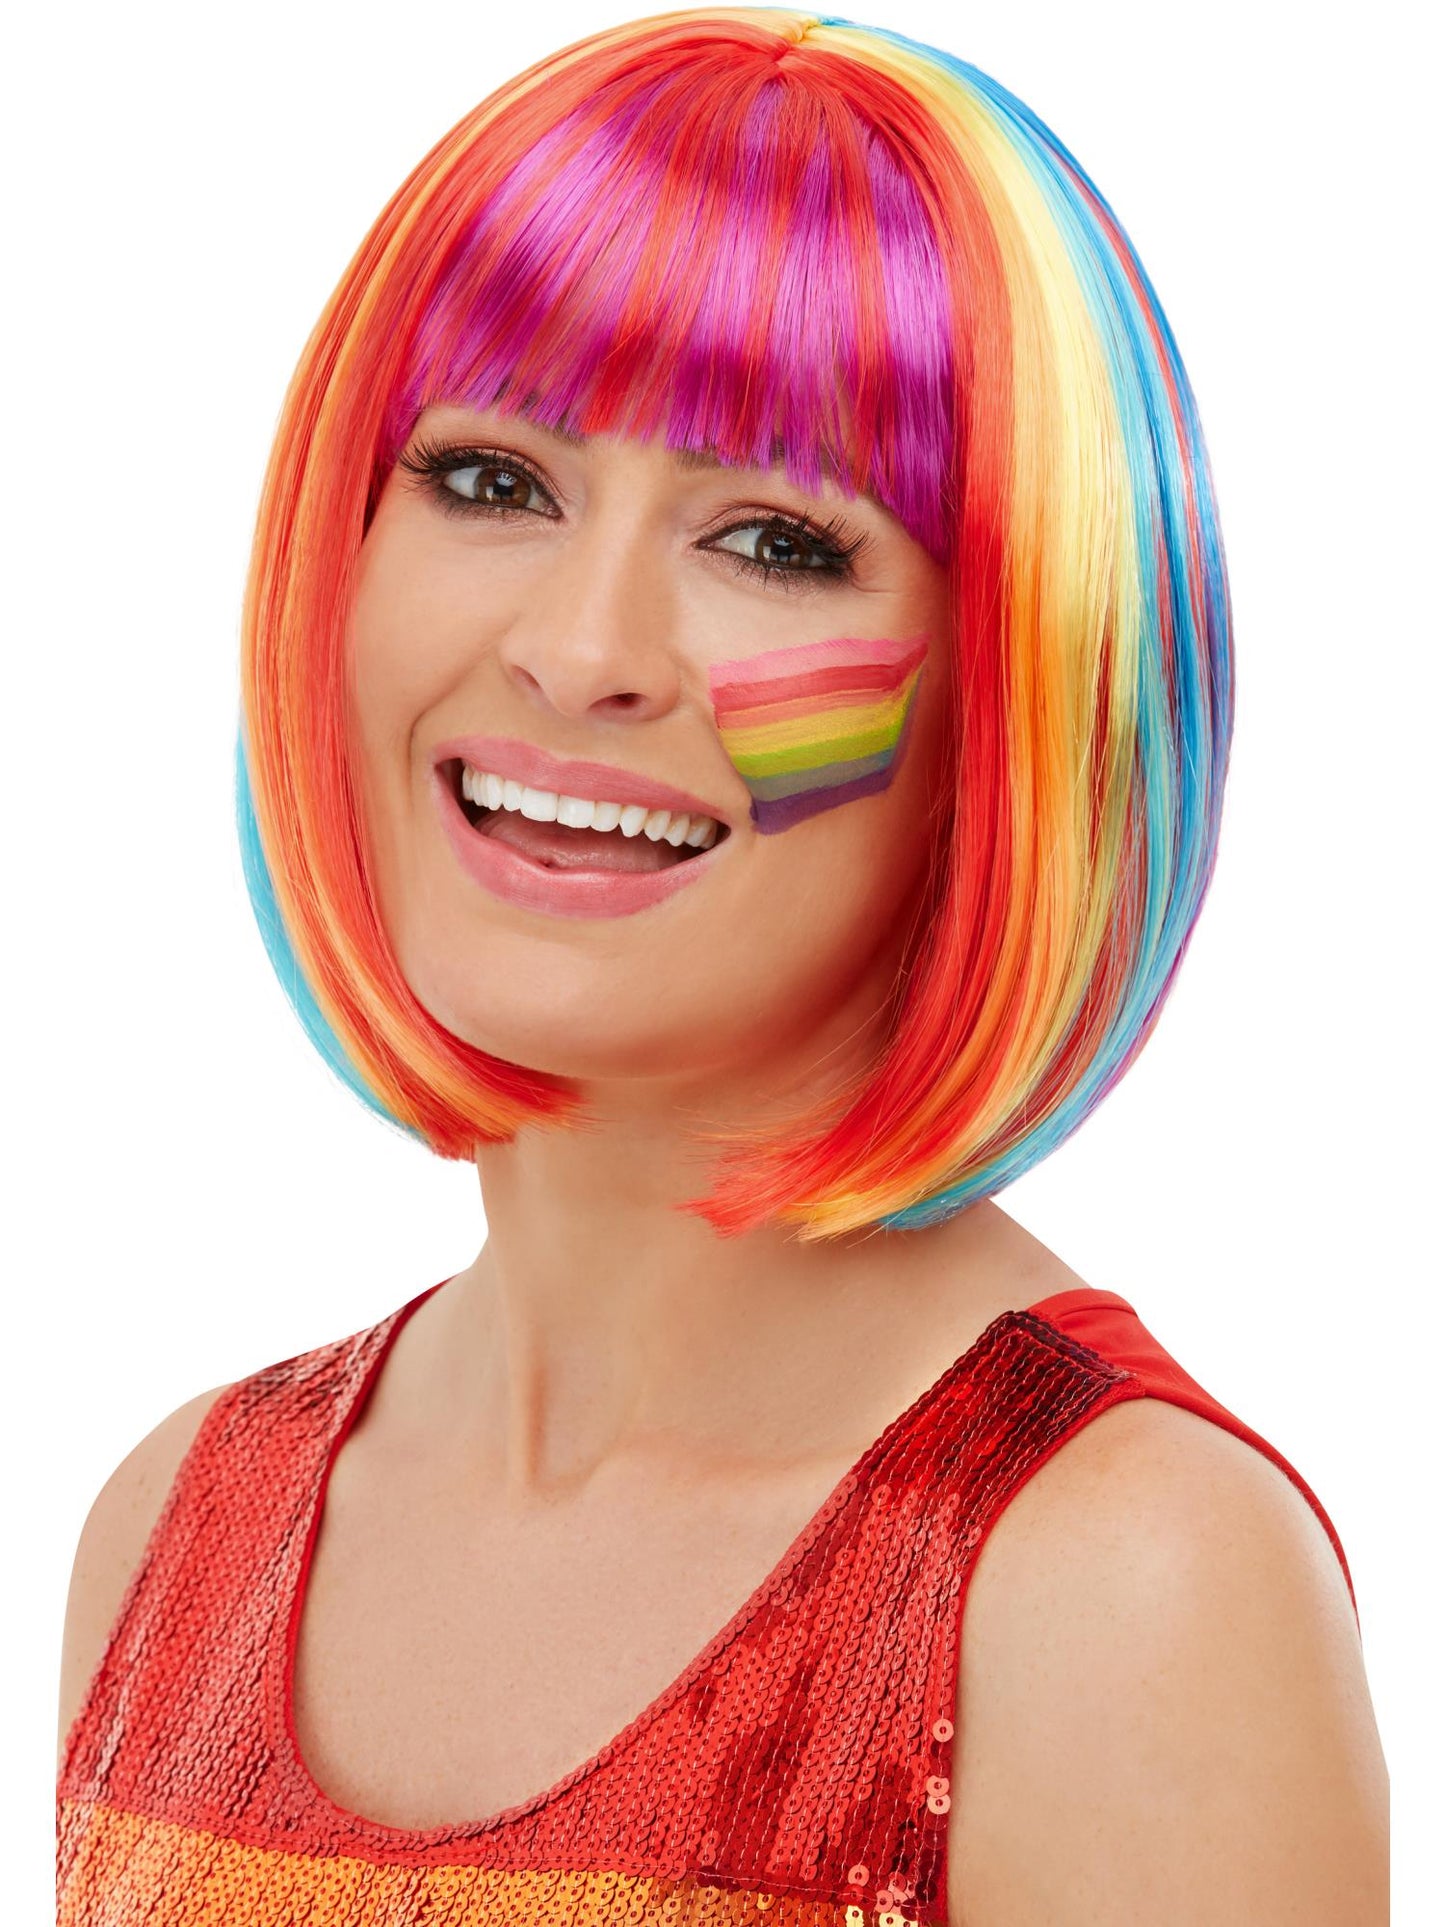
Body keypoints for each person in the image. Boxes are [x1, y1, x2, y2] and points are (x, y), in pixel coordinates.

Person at [55, 8, 1388, 1922]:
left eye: (774, 540)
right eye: (491, 481)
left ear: (1013, 694)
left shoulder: (1112, 1587)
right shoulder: (176, 1527)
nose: (582, 649)